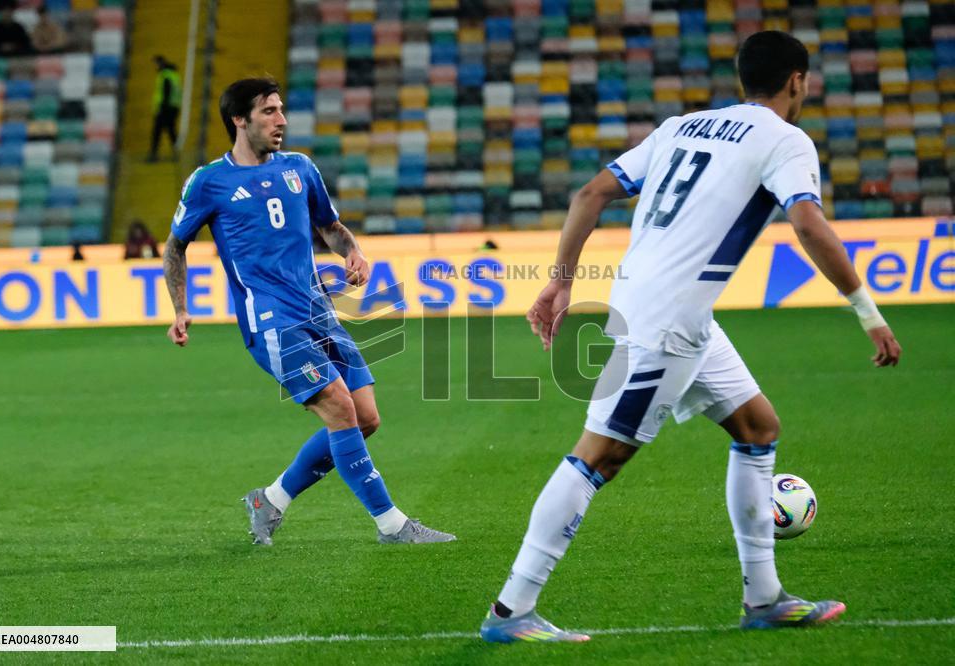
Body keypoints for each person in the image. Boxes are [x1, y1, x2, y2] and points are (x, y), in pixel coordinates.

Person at [479, 30, 902, 643]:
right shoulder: (786, 140)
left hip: (673, 311)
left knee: (758, 429)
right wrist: (868, 311)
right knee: (599, 456)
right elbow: (808, 224)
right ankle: (512, 610)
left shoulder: (683, 125)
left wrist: (560, 284)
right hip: (666, 323)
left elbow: (591, 193)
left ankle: (765, 598)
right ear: (797, 82)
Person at [162, 77, 455, 546]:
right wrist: (180, 307)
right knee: (340, 409)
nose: (281, 120)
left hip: (318, 310)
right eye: (269, 112)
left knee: (366, 418)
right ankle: (393, 525)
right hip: (272, 321)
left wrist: (352, 252)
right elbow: (176, 246)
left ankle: (271, 500)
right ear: (239, 119)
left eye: (281, 110)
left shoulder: (300, 168)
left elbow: (332, 227)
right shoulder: (209, 182)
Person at [149, 55, 181, 162]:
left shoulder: (164, 75)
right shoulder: (174, 74)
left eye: (156, 64)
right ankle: (176, 153)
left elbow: (166, 92)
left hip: (165, 108)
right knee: (171, 131)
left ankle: (154, 155)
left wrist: (161, 108)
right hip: (174, 107)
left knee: (157, 132)